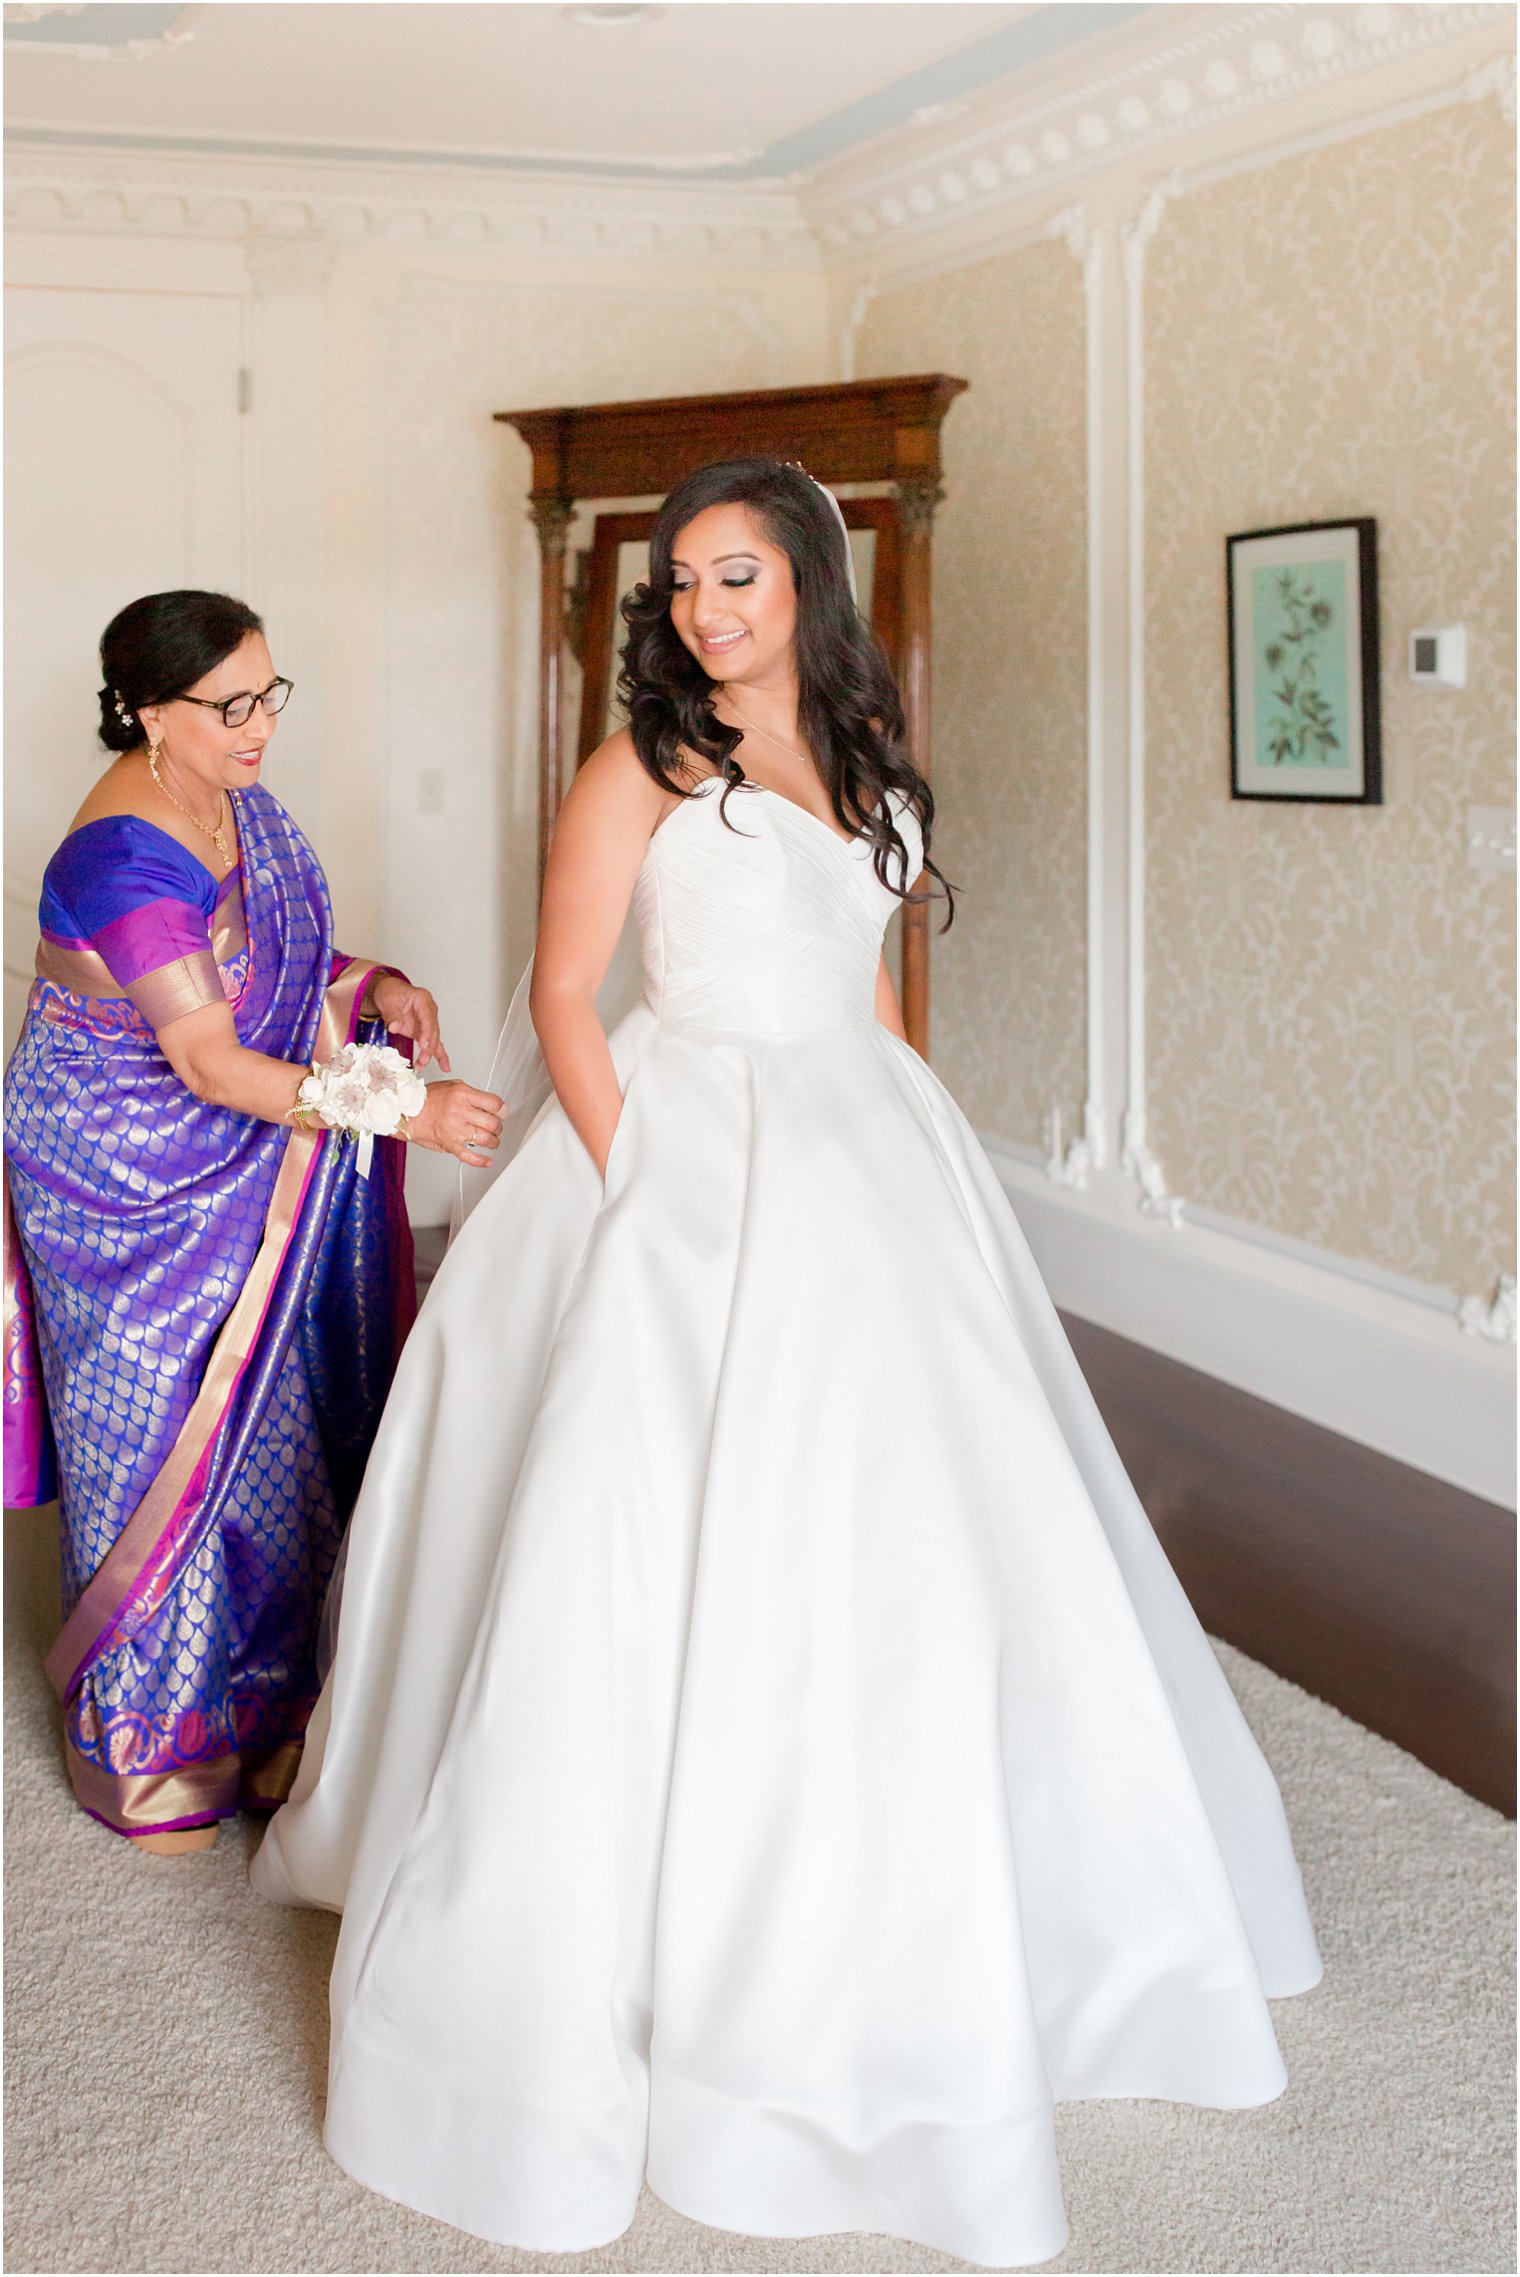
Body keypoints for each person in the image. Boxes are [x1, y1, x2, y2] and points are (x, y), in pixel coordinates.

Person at [252, 462, 1321, 2268]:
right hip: (671, 1142)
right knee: (642, 1525)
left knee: (921, 1518)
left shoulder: (876, 758)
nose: (700, 611)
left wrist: (916, 1135)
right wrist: (636, 1180)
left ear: (806, 581)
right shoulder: (646, 770)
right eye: (678, 585)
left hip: (862, 1142)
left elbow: (875, 987)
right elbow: (571, 995)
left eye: (733, 577)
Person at [3, 590, 502, 1856]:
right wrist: (403, 1108)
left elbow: (279, 969)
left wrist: (371, 986)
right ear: (149, 713)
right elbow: (215, 1064)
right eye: (232, 706)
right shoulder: (119, 858)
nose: (261, 724)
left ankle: (269, 1709)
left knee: (274, 1438)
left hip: (242, 1154)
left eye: (270, 694)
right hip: (120, 1180)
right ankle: (156, 1750)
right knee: (159, 1446)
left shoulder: (236, 804)